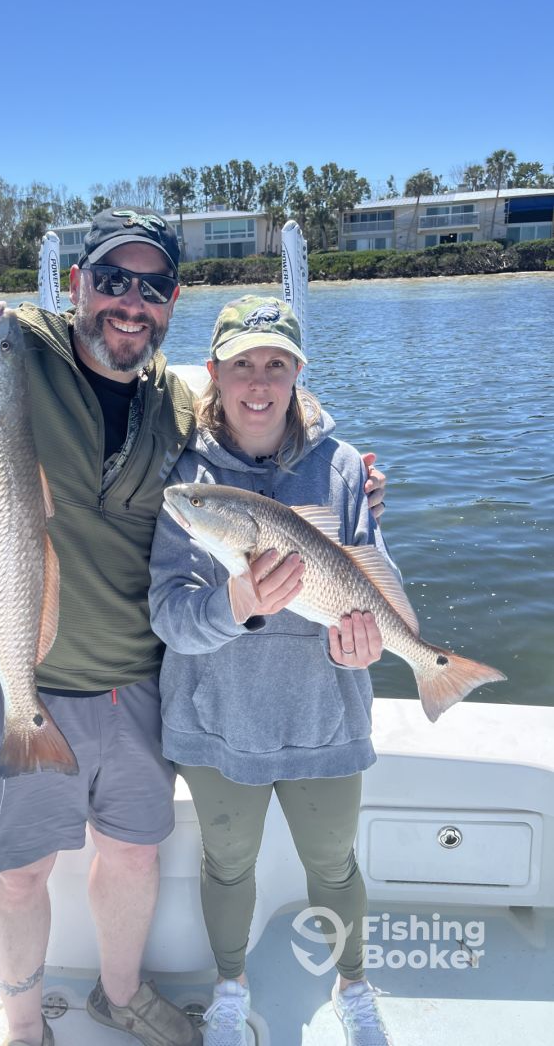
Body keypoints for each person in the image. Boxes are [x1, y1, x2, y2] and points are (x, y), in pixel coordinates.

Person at [0, 211, 386, 1046]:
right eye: (113, 279)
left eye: (153, 287)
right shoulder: (4, 350)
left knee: (132, 857)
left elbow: (258, 419)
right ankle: (22, 1025)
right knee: (18, 875)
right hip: (16, 675)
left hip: (135, 683)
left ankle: (121, 996)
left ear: (172, 302)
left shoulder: (173, 401)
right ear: (79, 283)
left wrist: (346, 472)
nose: (130, 302)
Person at [148, 295, 395, 1046]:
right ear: (214, 373)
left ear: (297, 375)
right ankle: (230, 987)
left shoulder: (344, 467)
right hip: (217, 719)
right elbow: (168, 615)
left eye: (277, 365)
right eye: (242, 365)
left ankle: (354, 984)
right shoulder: (184, 481)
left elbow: (374, 580)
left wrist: (368, 643)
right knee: (227, 865)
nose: (259, 383)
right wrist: (236, 603)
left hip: (326, 714)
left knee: (334, 863)